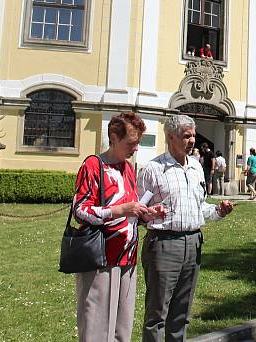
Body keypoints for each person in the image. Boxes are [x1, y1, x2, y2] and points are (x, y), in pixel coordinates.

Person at [138, 115, 233, 342]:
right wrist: (148, 214)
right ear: (171, 137)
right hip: (163, 245)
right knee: (157, 315)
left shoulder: (196, 169)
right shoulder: (153, 169)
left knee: (182, 314)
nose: (192, 140)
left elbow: (199, 207)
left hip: (193, 244)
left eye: (193, 135)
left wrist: (219, 211)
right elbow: (139, 211)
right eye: (186, 136)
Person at [73, 112, 166, 342]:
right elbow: (81, 210)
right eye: (132, 143)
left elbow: (131, 211)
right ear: (114, 137)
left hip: (127, 259)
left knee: (121, 331)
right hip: (101, 259)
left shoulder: (128, 169)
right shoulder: (94, 166)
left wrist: (147, 214)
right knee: (96, 329)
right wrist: (121, 210)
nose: (136, 149)